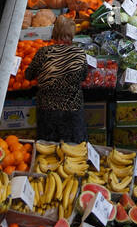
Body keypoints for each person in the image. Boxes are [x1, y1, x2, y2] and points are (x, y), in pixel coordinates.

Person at [23, 14, 89, 142]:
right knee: (73, 151)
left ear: (54, 32)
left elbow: (28, 75)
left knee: (48, 151)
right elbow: (83, 76)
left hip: (47, 110)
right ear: (72, 33)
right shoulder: (80, 54)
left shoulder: (43, 53)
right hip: (72, 110)